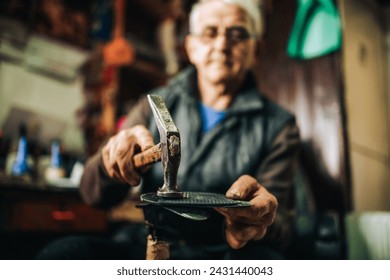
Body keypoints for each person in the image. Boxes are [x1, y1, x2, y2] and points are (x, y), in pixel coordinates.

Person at [37, 0, 300, 260]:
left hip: (224, 254)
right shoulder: (154, 103)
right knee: (62, 255)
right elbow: (90, 194)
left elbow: (283, 228)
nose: (221, 45)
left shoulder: (278, 126)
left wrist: (259, 219)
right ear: (191, 47)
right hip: (149, 240)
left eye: (238, 34)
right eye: (210, 33)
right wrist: (110, 163)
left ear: (257, 50)